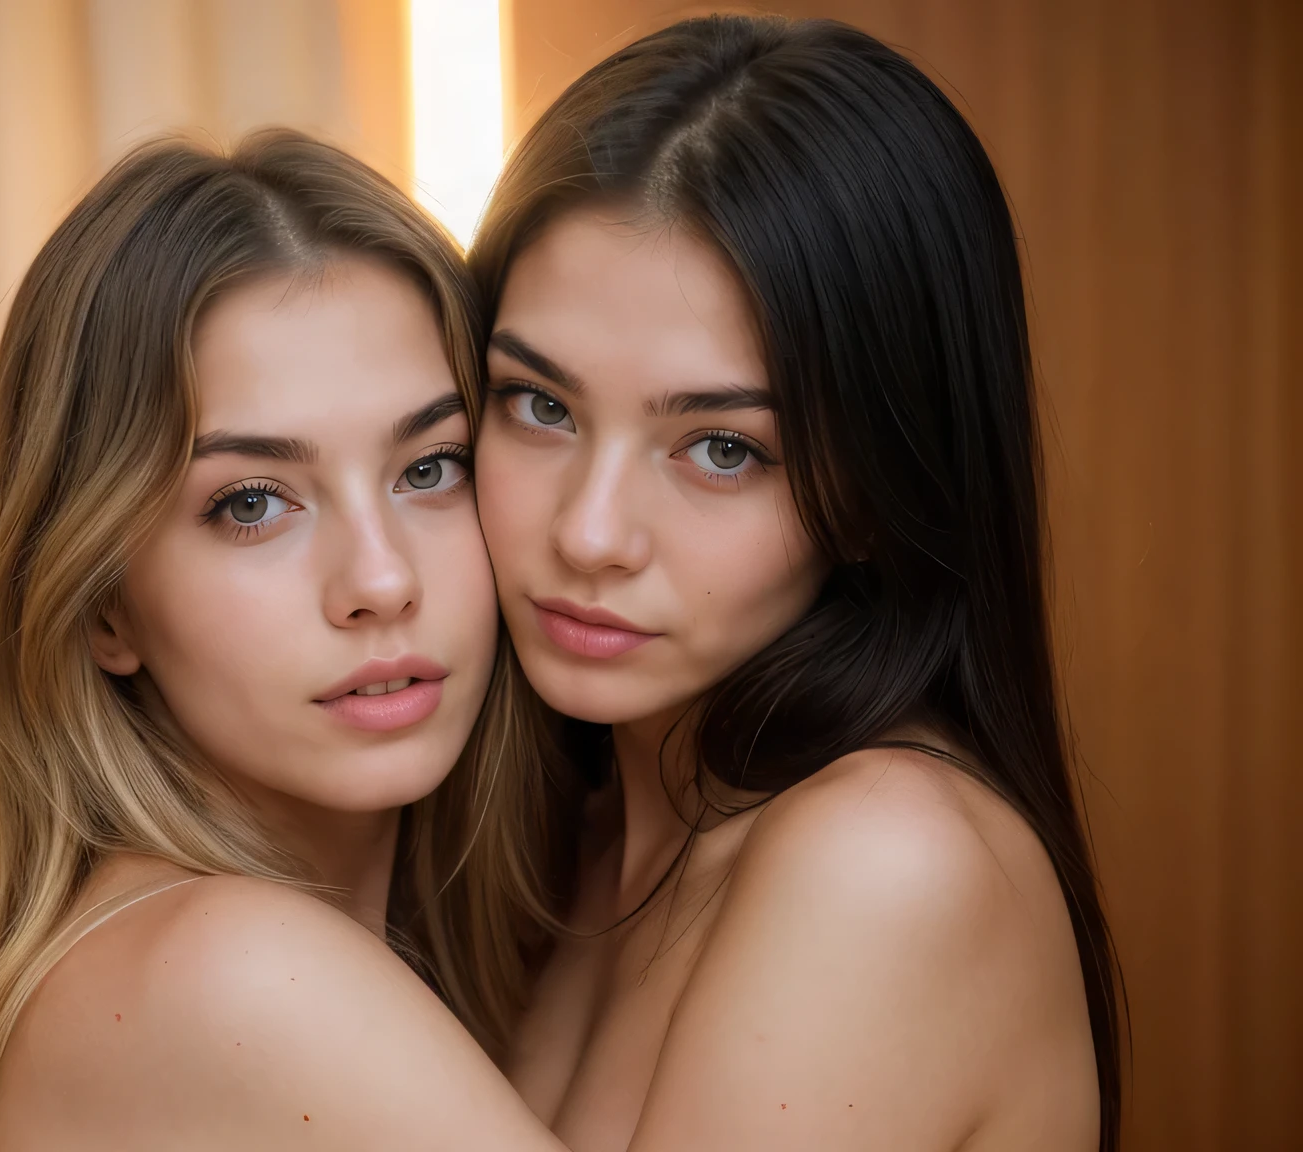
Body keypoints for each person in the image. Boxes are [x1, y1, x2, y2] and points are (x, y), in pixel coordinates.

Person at [470, 15, 1121, 1152]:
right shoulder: (565, 841)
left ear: (874, 490)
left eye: (723, 448)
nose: (590, 533)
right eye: (540, 405)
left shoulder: (883, 861)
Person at [0, 131, 564, 1152]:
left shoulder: (193, 950)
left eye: (430, 468)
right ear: (102, 608)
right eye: (253, 503)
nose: (381, 581)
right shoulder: (227, 970)